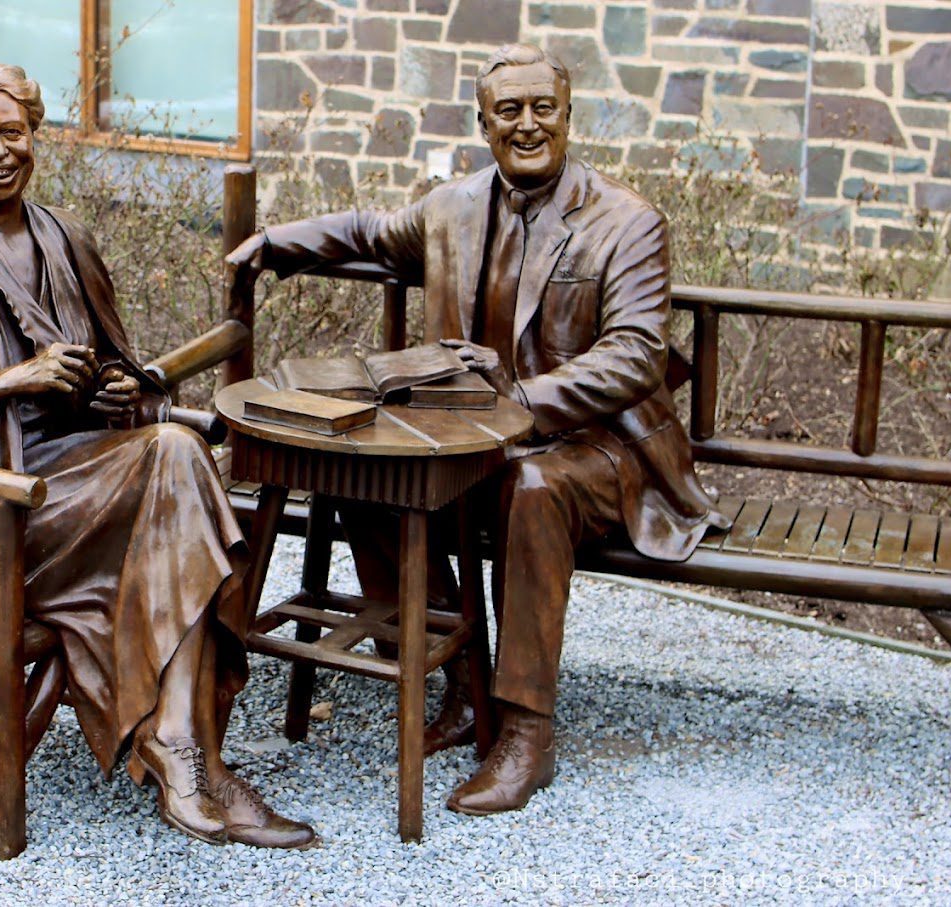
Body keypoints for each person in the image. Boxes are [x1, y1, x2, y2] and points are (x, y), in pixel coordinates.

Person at [226, 44, 729, 815]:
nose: (528, 126)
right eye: (509, 112)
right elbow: (369, 229)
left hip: (596, 445)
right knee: (365, 475)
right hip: (474, 438)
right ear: (484, 123)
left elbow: (634, 357)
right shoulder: (453, 207)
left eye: (543, 109)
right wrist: (278, 243)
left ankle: (527, 730)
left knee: (534, 488)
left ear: (567, 116)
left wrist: (520, 402)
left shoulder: (628, 222)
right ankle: (463, 688)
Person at [0, 62, 315, 849]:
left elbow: (122, 367)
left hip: (76, 480)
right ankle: (191, 759)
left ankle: (186, 751)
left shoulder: (66, 239)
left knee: (175, 454)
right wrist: (8, 380)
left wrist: (118, 395)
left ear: (35, 138)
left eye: (12, 131)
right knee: (179, 475)